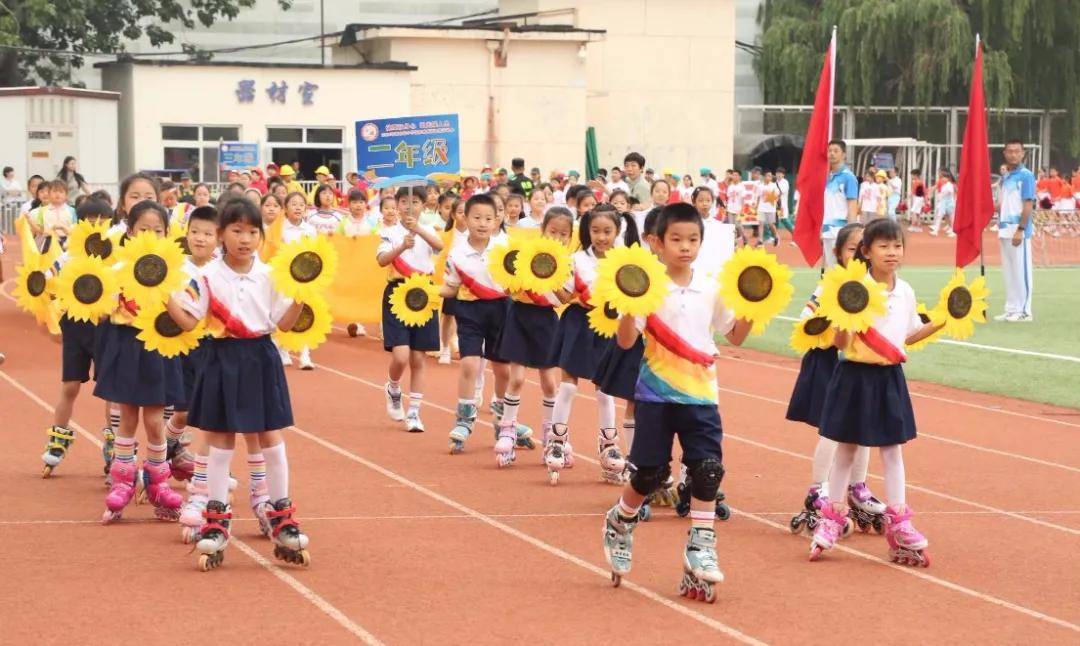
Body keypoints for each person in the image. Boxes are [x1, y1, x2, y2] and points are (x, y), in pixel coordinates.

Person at [602, 202, 752, 597]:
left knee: (708, 470)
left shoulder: (711, 287)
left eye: (693, 239)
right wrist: (628, 307)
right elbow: (625, 341)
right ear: (655, 242)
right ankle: (621, 520)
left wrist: (753, 306)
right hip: (655, 394)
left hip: (702, 394)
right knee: (650, 475)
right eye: (676, 239)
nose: (685, 247)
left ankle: (701, 547)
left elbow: (735, 336)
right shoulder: (646, 286)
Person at [165, 196, 310, 570]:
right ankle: (216, 518)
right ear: (221, 235)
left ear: (261, 236)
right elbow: (189, 321)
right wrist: (163, 296)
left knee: (269, 435)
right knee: (220, 438)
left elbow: (286, 323)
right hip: (220, 357)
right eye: (236, 231)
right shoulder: (207, 276)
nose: (245, 239)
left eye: (252, 231)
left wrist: (302, 293)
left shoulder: (272, 275)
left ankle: (281, 513)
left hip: (260, 357)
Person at [809, 219, 943, 566]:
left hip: (889, 378)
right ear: (866, 252)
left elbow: (909, 335)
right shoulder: (853, 289)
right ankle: (832, 517)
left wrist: (943, 321)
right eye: (883, 246)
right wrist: (841, 323)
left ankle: (900, 522)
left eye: (897, 246)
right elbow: (841, 342)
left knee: (892, 450)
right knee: (846, 450)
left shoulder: (906, 291)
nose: (892, 253)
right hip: (854, 375)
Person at [787, 223, 887, 535]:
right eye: (851, 249)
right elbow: (806, 321)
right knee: (833, 429)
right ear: (837, 253)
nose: (858, 255)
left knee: (862, 427)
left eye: (863, 248)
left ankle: (857, 487)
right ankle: (819, 488)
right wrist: (832, 331)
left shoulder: (873, 286)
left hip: (862, 367)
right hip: (830, 363)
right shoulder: (829, 286)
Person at [96, 197, 185, 524]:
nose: (150, 235)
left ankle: (158, 482)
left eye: (157, 230)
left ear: (167, 233)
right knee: (127, 417)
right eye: (143, 229)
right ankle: (122, 481)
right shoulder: (118, 268)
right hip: (126, 344)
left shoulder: (174, 270)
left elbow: (184, 309)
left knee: (154, 420)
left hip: (158, 346)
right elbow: (102, 305)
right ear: (130, 231)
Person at [441, 194, 529, 453]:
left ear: (497, 220)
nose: (482, 223)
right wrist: (425, 292)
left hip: (502, 311)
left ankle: (503, 419)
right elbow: (451, 287)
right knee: (470, 363)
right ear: (464, 218)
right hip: (469, 311)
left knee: (503, 371)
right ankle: (465, 418)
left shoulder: (505, 248)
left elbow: (518, 283)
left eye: (488, 218)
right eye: (476, 217)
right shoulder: (457, 254)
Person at [546, 205, 626, 484]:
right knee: (568, 385)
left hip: (609, 326)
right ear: (587, 231)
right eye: (595, 231)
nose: (601, 237)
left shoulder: (625, 262)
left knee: (606, 391)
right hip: (579, 323)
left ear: (617, 231)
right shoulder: (576, 259)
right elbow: (566, 296)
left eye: (607, 231)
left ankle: (609, 447)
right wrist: (549, 277)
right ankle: (556, 440)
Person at [492, 207, 575, 470]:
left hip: (547, 322)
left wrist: (552, 280)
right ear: (543, 230)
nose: (557, 237)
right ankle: (507, 429)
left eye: (564, 234)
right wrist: (519, 278)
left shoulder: (567, 262)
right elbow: (507, 287)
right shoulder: (526, 253)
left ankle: (552, 438)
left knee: (550, 384)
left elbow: (565, 298)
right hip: (519, 317)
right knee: (516, 378)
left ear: (570, 236)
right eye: (553, 231)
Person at [38, 200, 116, 478]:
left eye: (102, 218)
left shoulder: (115, 254)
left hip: (105, 327)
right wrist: (39, 282)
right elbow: (50, 275)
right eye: (90, 218)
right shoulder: (70, 254)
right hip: (74, 326)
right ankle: (57, 441)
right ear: (79, 223)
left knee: (110, 390)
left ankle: (113, 446)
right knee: (70, 386)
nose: (96, 223)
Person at [376, 186, 445, 432]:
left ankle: (414, 412)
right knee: (401, 355)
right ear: (396, 204)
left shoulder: (428, 230)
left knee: (418, 357)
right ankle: (393, 387)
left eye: (415, 201)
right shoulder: (389, 232)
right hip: (397, 294)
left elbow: (439, 246)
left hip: (423, 294)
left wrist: (418, 231)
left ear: (423, 205)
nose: (409, 206)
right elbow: (382, 260)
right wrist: (402, 247)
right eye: (404, 201)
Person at [995, 139, 1036, 322]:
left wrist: (1021, 229)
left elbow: (1028, 204)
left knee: (1021, 270)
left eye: (1016, 151)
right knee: (1009, 271)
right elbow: (1001, 204)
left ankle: (1024, 310)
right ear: (1005, 154)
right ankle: (1012, 308)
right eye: (1009, 151)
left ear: (1023, 153)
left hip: (1018, 230)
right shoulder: (1005, 177)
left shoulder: (1026, 176)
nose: (1013, 154)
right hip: (1004, 229)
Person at [280, 192, 317, 369]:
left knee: (305, 312)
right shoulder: (279, 229)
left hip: (305, 278)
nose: (297, 207)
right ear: (285, 208)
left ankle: (305, 354)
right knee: (284, 311)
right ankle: (283, 349)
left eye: (301, 204)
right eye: (293, 204)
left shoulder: (310, 230)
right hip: (285, 277)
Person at [821, 140, 860, 267]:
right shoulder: (827, 177)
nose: (831, 154)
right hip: (827, 230)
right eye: (830, 151)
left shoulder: (848, 177)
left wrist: (851, 231)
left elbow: (852, 204)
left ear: (843, 154)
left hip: (840, 230)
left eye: (836, 151)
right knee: (829, 267)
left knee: (840, 268)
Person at [31, 180, 77, 252]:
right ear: (49, 194)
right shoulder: (43, 211)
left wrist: (64, 229)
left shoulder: (72, 210)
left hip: (67, 242)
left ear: (66, 195)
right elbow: (40, 229)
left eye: (61, 192)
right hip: (48, 241)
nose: (57, 194)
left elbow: (75, 228)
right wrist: (30, 221)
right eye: (55, 191)